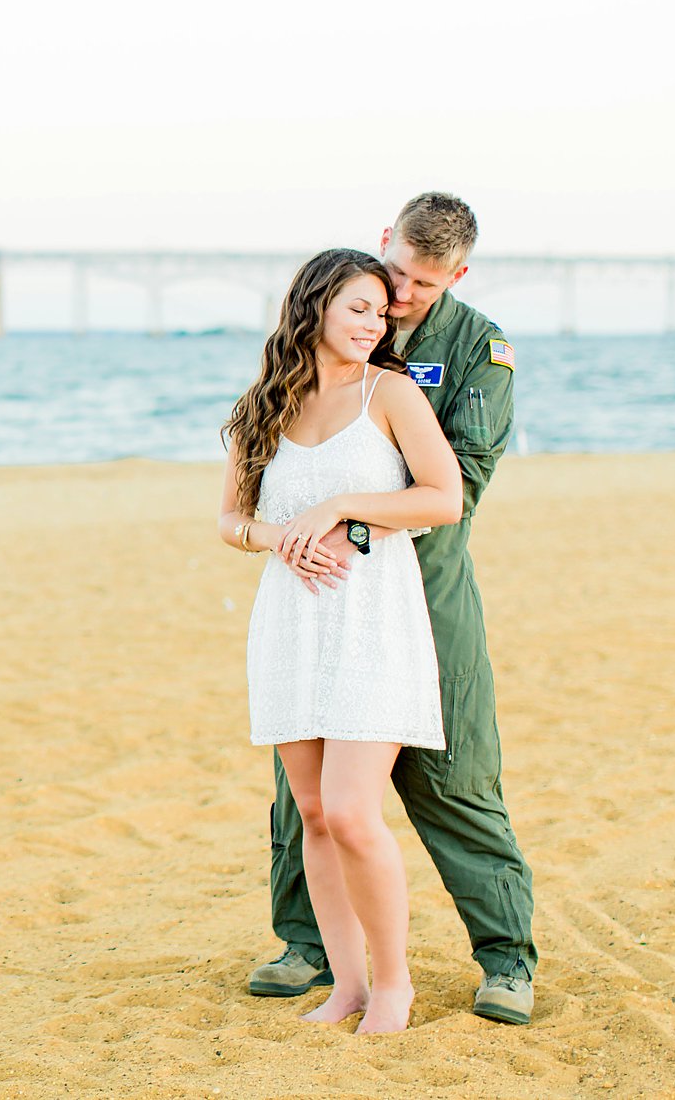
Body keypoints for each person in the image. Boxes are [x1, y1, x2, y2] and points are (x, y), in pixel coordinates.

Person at [244, 193, 537, 1028]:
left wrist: (341, 515)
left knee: (456, 776)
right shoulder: (335, 325)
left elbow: (462, 484)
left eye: (420, 283)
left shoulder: (478, 345)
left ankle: (505, 958)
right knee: (307, 793)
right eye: (395, 273)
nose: (399, 297)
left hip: (426, 583)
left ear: (457, 275)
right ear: (383, 244)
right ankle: (310, 947)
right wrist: (288, 534)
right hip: (316, 592)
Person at [218, 247, 462, 1033]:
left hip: (373, 621)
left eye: (381, 311)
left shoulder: (389, 394)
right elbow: (230, 520)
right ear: (314, 306)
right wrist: (275, 535)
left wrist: (342, 505)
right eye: (358, 307)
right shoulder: (266, 403)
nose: (375, 322)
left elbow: (444, 499)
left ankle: (395, 986)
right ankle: (348, 986)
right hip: (290, 622)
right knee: (316, 814)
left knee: (355, 813)